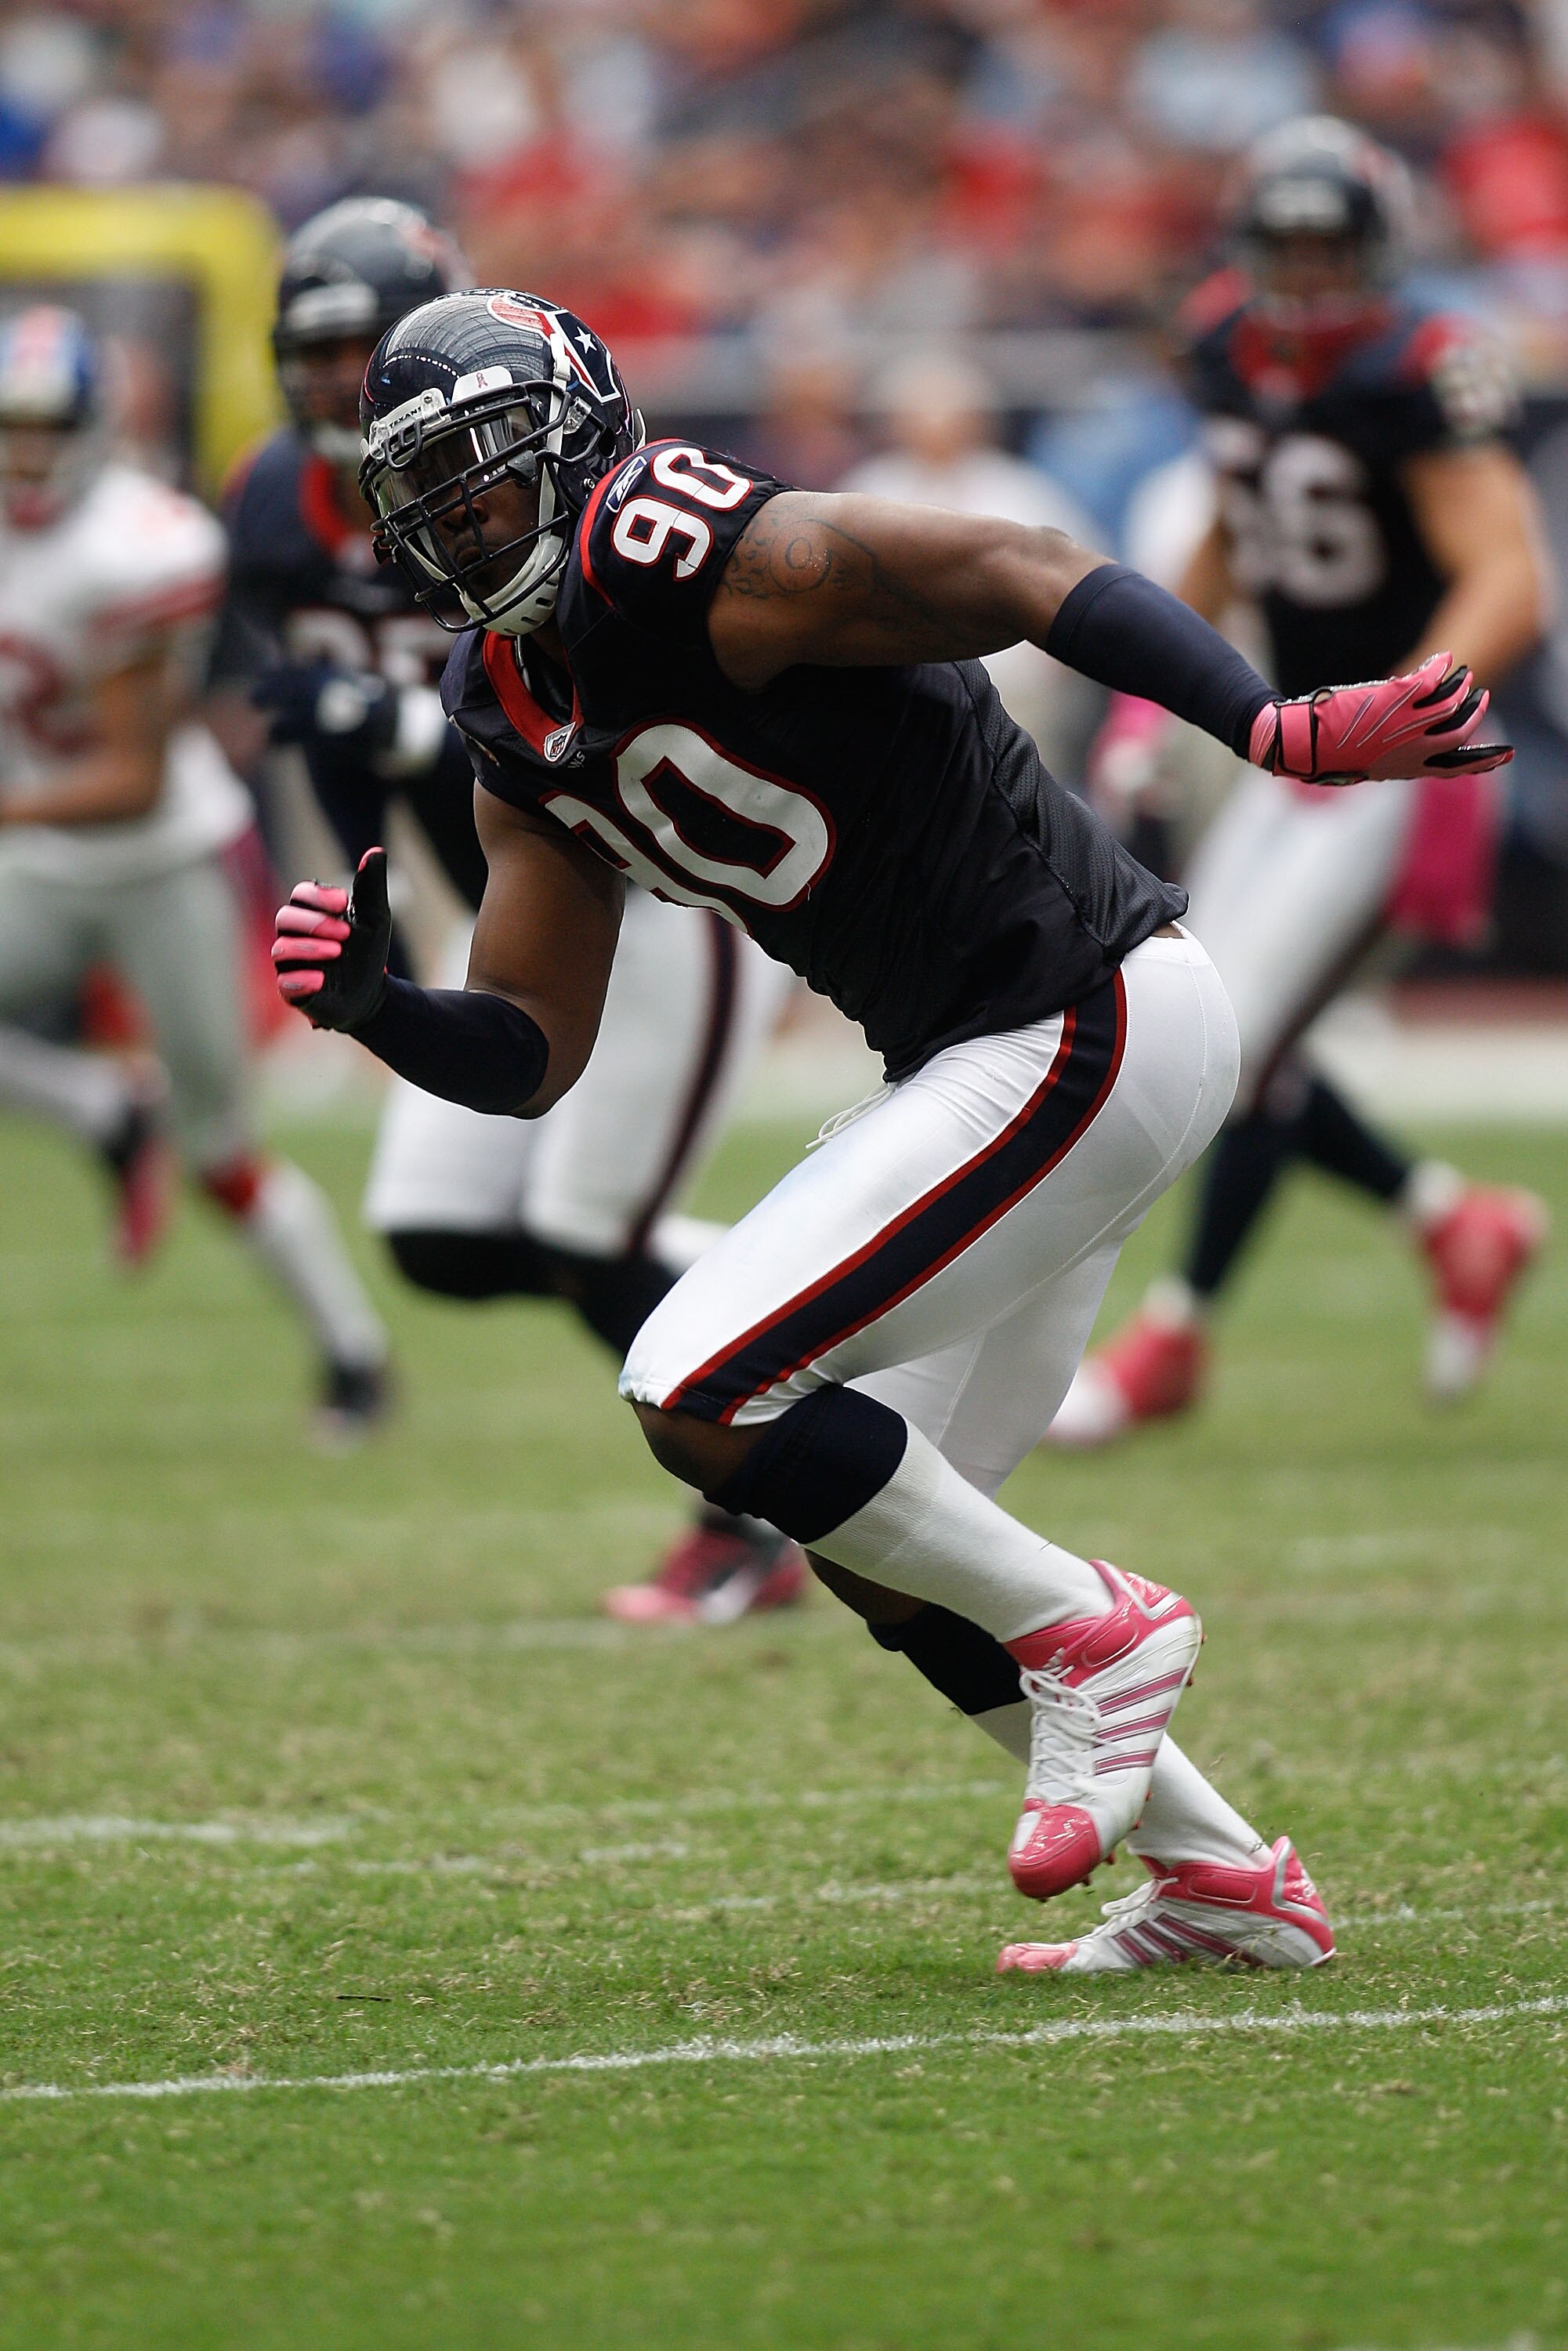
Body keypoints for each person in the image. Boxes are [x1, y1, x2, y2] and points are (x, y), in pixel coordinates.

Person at [273, 288, 1502, 1975]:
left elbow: (1005, 564)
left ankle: (1096, 1627)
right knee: (882, 1543)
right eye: (434, 501)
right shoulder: (511, 707)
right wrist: (376, 1011)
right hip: (1004, 1050)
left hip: (1079, 1009)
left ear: (571, 443)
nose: (464, 527)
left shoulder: (676, 546)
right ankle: (1227, 1884)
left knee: (693, 1382)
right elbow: (532, 1050)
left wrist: (1262, 726)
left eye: (484, 479)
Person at [226, 201, 802, 1621]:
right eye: (312, 357)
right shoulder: (270, 507)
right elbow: (322, 724)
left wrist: (399, 733)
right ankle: (804, 1312)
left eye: (360, 351)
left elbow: (542, 710)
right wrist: (366, 902)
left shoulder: (520, 486)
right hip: (497, 896)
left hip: (643, 880)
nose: (334, 386)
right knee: (434, 1230)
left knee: (584, 1234)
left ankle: (762, 1503)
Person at [1049, 116, 1551, 1449]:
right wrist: (1151, 699)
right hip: (1299, 737)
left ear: (1381, 253)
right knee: (1220, 1031)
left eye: (1335, 249)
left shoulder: (1415, 368)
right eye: (1290, 248)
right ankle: (1454, 1219)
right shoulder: (1223, 343)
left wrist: (1403, 701)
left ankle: (1174, 1340)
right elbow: (1231, 521)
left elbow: (1509, 572)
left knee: (1228, 1042)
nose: (1313, 277)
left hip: (1401, 746)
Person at [0, 302, 390, 1444]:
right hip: (41, 853)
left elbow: (126, 775)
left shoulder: (146, 543)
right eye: (8, 428)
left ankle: (353, 1358)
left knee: (222, 1150)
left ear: (92, 425)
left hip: (160, 858)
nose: (25, 453)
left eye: (44, 427)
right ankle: (105, 1111)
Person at [838, 353, 1099, 771]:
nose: (936, 427)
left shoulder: (1021, 490)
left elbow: (1079, 583)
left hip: (1018, 701)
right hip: (898, 698)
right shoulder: (868, 491)